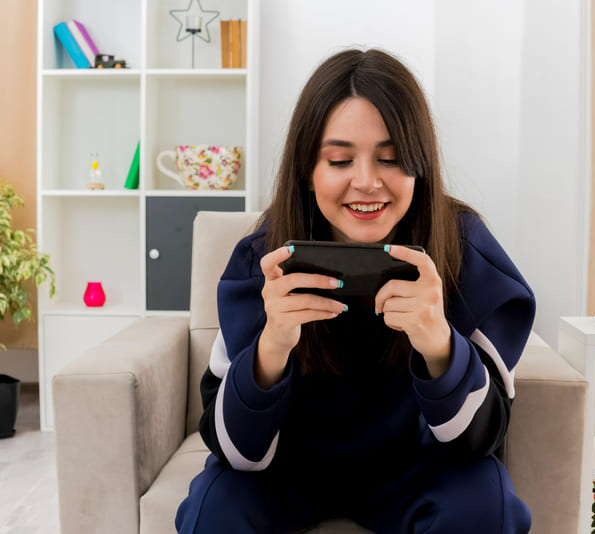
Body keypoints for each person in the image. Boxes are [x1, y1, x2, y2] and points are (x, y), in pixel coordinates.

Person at [176, 48, 535, 534]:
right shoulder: (264, 259)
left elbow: (479, 442)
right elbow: (235, 450)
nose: (366, 182)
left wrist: (439, 344)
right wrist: (271, 346)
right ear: (308, 169)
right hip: (288, 472)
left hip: (420, 471)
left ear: (419, 164)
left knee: (485, 504)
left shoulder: (463, 249)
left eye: (390, 158)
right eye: (340, 159)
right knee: (215, 508)